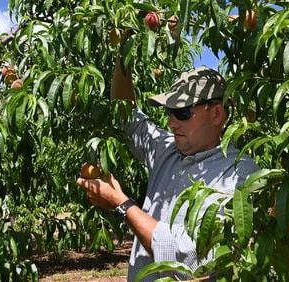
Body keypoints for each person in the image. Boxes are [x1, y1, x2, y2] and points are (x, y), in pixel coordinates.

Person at [76, 61, 259, 281]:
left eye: (182, 113)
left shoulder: (240, 174)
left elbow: (193, 256)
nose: (171, 123)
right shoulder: (168, 150)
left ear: (216, 114)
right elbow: (125, 114)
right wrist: (124, 51)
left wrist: (121, 204)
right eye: (169, 112)